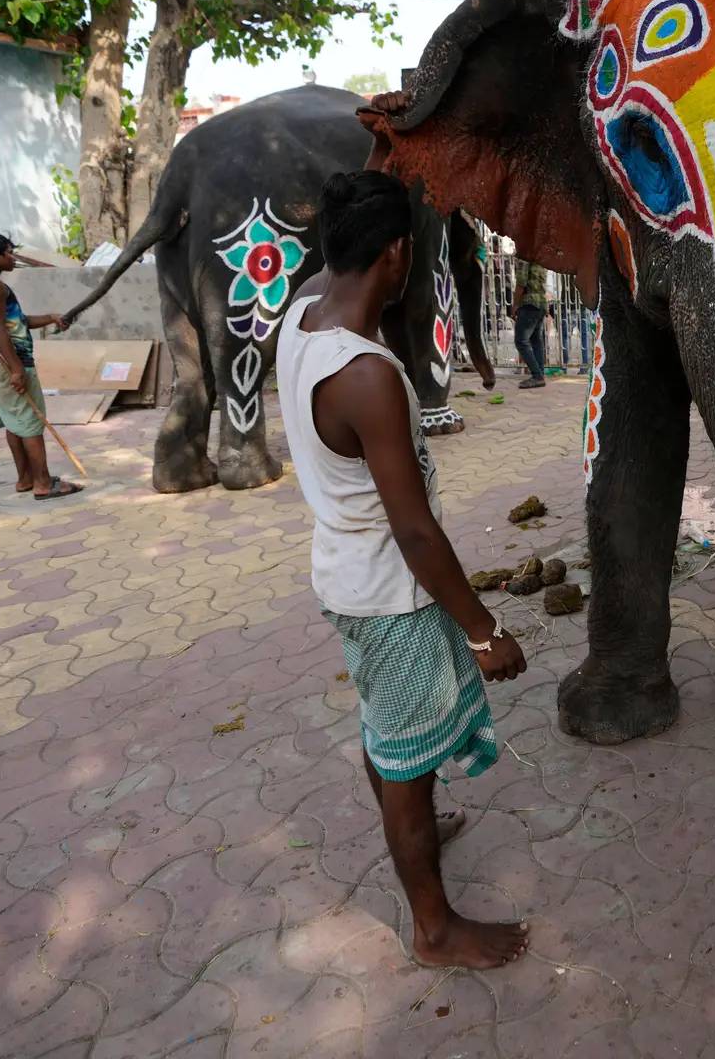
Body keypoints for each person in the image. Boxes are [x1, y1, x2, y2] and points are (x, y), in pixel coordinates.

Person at [276, 169, 531, 969]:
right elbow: (415, 532)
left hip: (346, 576)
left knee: (385, 732)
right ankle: (434, 929)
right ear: (396, 253)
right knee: (408, 768)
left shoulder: (302, 313)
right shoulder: (366, 377)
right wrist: (484, 631)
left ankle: (409, 818)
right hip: (391, 594)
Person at [0, 231, 83, 500]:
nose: (14, 258)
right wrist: (17, 368)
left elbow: (15, 323)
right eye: (9, 252)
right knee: (30, 422)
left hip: (4, 362)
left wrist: (50, 317)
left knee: (14, 421)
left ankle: (25, 479)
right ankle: (43, 484)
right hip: (13, 362)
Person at [511, 255, 549, 388]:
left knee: (521, 340)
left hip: (529, 303)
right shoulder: (540, 255)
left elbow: (521, 282)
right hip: (541, 303)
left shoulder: (525, 257)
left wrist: (515, 304)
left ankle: (537, 376)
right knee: (536, 341)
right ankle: (540, 375)